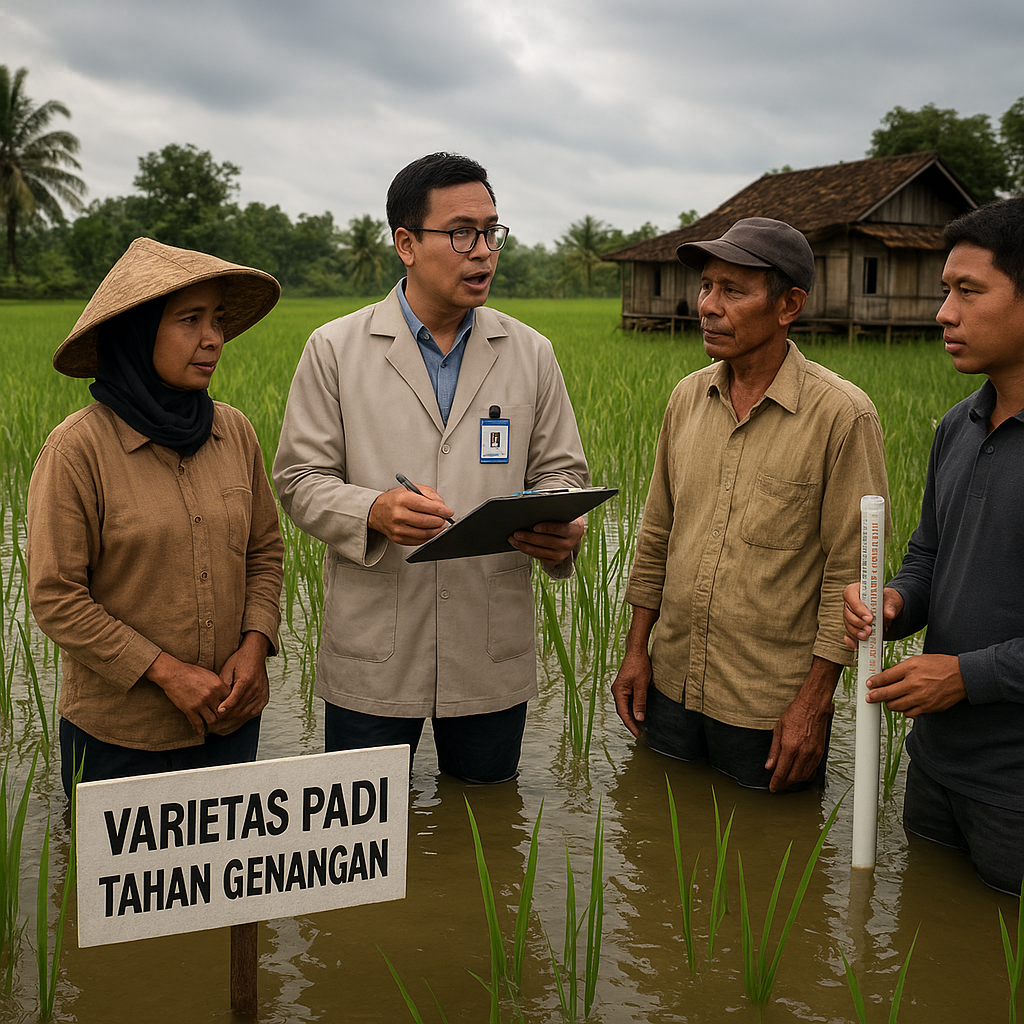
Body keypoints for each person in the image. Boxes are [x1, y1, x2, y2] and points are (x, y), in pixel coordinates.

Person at [272, 152, 589, 784]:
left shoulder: (530, 352)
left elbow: (563, 475)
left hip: (487, 644)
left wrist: (562, 527)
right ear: (407, 244)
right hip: (375, 649)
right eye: (463, 233)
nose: (484, 252)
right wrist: (372, 510)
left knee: (484, 836)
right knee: (356, 849)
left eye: (492, 232)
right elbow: (299, 479)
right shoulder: (335, 349)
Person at [612, 217, 889, 792]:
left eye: (733, 291)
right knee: (657, 852)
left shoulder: (841, 415)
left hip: (769, 707)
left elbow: (853, 571)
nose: (709, 306)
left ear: (788, 305)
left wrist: (814, 703)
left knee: (771, 870)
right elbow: (657, 531)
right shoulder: (687, 397)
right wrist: (636, 650)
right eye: (707, 286)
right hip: (670, 688)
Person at [27, 238, 284, 798]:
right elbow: (56, 596)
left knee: (227, 880)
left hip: (230, 719)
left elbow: (264, 551)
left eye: (216, 319)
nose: (213, 338)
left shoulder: (234, 432)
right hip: (120, 739)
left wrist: (255, 645)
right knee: (113, 889)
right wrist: (167, 672)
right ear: (138, 333)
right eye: (189, 320)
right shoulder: (77, 450)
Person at [843, 199, 1024, 893]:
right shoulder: (960, 423)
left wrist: (963, 677)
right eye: (946, 291)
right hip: (937, 767)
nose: (944, 313)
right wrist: (891, 603)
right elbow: (929, 557)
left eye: (969, 292)